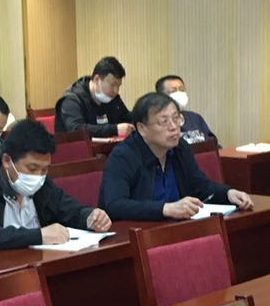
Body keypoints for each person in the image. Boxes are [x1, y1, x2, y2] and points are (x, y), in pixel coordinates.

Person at [0, 118, 111, 255]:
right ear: (7, 161)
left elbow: (67, 208)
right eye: (32, 168)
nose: (38, 176)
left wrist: (90, 216)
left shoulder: (41, 182)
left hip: (30, 264)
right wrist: (38, 236)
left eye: (44, 169)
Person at [99, 92, 252, 221]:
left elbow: (200, 186)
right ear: (142, 128)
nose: (173, 127)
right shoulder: (123, 156)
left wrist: (228, 193)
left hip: (178, 229)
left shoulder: (180, 147)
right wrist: (165, 209)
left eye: (176, 118)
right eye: (164, 121)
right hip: (139, 233)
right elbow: (114, 205)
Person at [56, 56, 133, 139]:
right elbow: (77, 130)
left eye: (118, 86)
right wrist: (114, 130)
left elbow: (128, 118)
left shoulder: (113, 98)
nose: (116, 90)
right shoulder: (72, 100)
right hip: (75, 147)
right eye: (112, 85)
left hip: (107, 146)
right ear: (96, 79)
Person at [154, 75, 217, 144]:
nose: (179, 93)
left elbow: (213, 143)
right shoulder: (157, 122)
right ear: (160, 96)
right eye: (173, 91)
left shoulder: (195, 118)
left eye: (182, 90)